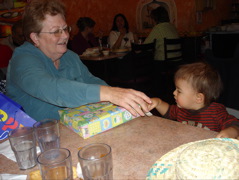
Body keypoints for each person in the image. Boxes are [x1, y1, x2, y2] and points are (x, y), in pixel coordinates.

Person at [6, 0, 152, 121]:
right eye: (56, 31)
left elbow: (91, 81)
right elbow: (53, 89)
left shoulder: (70, 56)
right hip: (36, 141)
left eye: (65, 29)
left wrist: (118, 98)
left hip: (77, 130)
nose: (65, 36)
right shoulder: (22, 59)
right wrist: (109, 93)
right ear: (35, 38)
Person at [148, 62, 239, 139]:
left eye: (179, 91)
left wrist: (232, 130)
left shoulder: (216, 112)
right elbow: (168, 111)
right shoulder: (181, 109)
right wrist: (158, 103)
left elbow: (234, 123)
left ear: (198, 98)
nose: (174, 93)